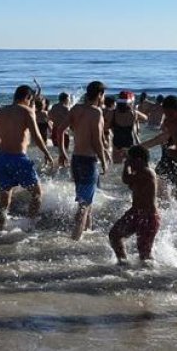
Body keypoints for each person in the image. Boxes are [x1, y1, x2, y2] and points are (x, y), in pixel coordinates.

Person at [0, 85, 55, 231]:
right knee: (37, 193)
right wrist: (47, 153)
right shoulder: (26, 111)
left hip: (2, 158)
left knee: (4, 198)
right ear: (27, 98)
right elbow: (37, 136)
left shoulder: (0, 111)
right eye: (30, 100)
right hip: (19, 158)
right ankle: (29, 226)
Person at [66, 81, 109, 239]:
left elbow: (60, 128)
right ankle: (75, 239)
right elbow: (96, 140)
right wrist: (104, 161)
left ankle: (87, 233)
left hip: (76, 159)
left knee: (86, 203)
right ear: (99, 95)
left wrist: (63, 152)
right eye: (103, 94)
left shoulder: (76, 108)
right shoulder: (96, 112)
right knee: (84, 205)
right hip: (88, 161)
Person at [108, 145, 161, 265]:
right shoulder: (139, 172)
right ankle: (123, 263)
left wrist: (126, 165)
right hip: (135, 212)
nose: (128, 161)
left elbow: (126, 179)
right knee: (114, 235)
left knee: (144, 254)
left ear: (139, 160)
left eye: (130, 159)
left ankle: (149, 274)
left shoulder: (147, 172)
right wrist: (128, 163)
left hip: (149, 216)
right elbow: (130, 182)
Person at [108, 91, 146, 164]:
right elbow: (145, 118)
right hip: (130, 141)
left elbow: (107, 126)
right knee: (132, 164)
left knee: (116, 165)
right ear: (131, 102)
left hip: (117, 141)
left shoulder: (113, 113)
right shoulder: (134, 113)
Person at [47, 92, 72, 166]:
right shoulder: (66, 108)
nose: (69, 100)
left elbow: (49, 116)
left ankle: (57, 163)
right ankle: (62, 164)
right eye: (69, 98)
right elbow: (71, 120)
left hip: (55, 130)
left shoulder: (54, 106)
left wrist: (55, 120)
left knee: (58, 149)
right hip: (64, 131)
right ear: (66, 99)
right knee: (64, 149)